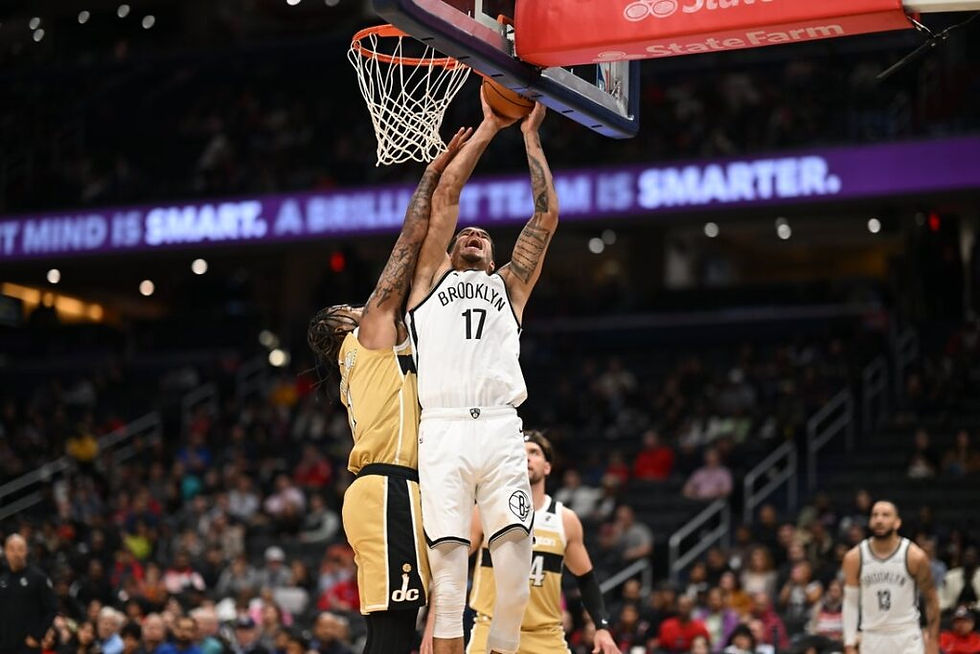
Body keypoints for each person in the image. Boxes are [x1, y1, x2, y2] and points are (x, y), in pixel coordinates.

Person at [306, 126, 472, 654]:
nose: (360, 303)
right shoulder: (365, 336)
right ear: (337, 327)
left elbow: (428, 253)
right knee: (395, 627)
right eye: (347, 308)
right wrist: (428, 176)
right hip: (387, 486)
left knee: (400, 621)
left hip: (400, 488)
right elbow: (408, 245)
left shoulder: (375, 350)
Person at [406, 92, 559, 654]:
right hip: (442, 427)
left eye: (483, 237)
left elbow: (544, 218)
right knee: (447, 582)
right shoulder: (428, 283)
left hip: (499, 426)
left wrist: (530, 136)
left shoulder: (508, 289)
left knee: (515, 560)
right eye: (464, 235)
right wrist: (490, 126)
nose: (471, 235)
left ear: (493, 260)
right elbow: (446, 197)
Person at [465, 431, 620, 653]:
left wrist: (601, 627)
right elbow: (457, 554)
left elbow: (586, 578)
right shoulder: (485, 510)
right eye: (519, 452)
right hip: (490, 629)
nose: (526, 457)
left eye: (534, 452)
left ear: (547, 467)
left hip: (545, 636)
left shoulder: (565, 520)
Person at [841, 501, 939, 654]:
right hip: (871, 637)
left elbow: (931, 599)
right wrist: (849, 643)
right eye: (875, 515)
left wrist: (933, 640)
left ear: (897, 522)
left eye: (885, 515)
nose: (879, 519)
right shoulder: (854, 558)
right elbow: (850, 602)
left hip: (906, 636)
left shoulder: (914, 556)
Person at [0, 534, 58, 654]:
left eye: (20, 549)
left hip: (27, 647)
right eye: (11, 549)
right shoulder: (2, 576)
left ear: (26, 551)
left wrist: (37, 636)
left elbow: (52, 609)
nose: (16, 553)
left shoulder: (38, 578)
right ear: (5, 551)